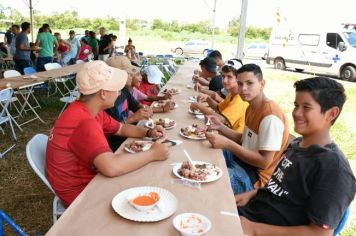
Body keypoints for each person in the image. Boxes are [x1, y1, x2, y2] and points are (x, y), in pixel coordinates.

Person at [238, 77, 356, 236]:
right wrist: (252, 194)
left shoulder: (333, 168)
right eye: (296, 105)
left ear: (331, 113)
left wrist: (254, 229)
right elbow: (280, 188)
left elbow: (319, 233)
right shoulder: (297, 144)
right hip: (250, 214)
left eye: (306, 107)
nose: (296, 113)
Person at [46, 61, 170, 207]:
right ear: (103, 93)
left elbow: (121, 129)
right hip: (82, 197)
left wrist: (149, 132)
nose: (119, 92)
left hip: (88, 182)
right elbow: (111, 168)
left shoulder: (89, 109)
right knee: (152, 183)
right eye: (116, 88)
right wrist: (153, 154)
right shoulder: (85, 122)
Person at [205, 64, 289, 195]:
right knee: (205, 153)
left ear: (262, 84)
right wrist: (220, 127)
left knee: (209, 181)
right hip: (241, 161)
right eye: (240, 84)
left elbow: (264, 162)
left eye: (249, 83)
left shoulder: (271, 116)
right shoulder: (251, 107)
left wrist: (227, 143)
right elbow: (244, 139)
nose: (243, 89)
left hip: (254, 178)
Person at [190, 60, 248, 133]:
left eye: (229, 77)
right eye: (223, 76)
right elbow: (218, 108)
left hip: (234, 140)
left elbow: (221, 119)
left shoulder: (240, 98)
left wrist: (199, 106)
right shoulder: (231, 94)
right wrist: (207, 98)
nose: (225, 80)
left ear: (238, 78)